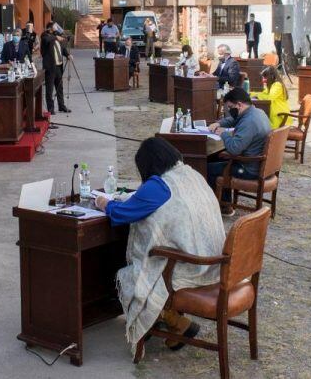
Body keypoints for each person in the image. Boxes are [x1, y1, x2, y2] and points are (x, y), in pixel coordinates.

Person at [95, 137, 225, 355]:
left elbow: (122, 213)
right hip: (215, 261)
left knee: (136, 272)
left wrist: (105, 203)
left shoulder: (159, 185)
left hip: (191, 267)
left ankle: (171, 319)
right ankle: (173, 320)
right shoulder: (191, 174)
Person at [207, 87, 271, 215]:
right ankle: (225, 202)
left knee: (207, 168)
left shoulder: (249, 122)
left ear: (239, 105)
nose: (230, 111)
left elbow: (234, 149)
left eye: (230, 108)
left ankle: (223, 207)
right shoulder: (257, 112)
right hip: (260, 165)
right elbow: (234, 120)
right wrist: (220, 123)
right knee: (216, 158)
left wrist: (223, 134)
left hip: (248, 169)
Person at [40, 21, 71, 114]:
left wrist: (67, 55)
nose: (56, 28)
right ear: (49, 28)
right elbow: (47, 40)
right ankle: (50, 108)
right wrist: (56, 37)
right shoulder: (45, 36)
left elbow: (61, 48)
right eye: (55, 26)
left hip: (59, 65)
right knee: (49, 88)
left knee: (59, 87)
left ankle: (61, 106)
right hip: (50, 66)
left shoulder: (55, 36)